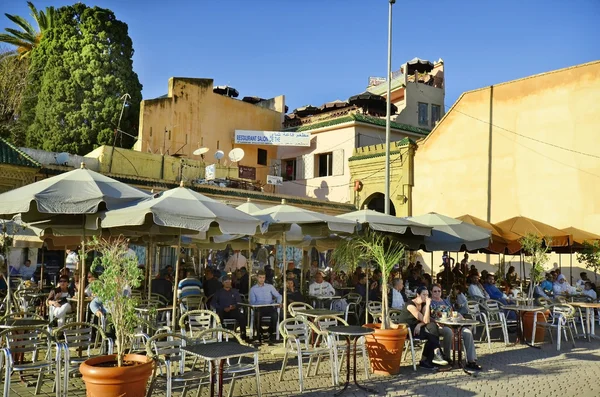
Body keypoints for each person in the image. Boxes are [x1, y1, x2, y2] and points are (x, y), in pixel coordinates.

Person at [430, 284, 482, 370]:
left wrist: (459, 315)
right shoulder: (430, 302)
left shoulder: (445, 301)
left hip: (452, 324)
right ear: (431, 292)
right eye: (435, 291)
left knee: (467, 332)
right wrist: (435, 321)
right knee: (448, 332)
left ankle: (471, 361)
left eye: (439, 291)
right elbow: (427, 316)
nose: (437, 293)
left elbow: (452, 312)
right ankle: (447, 357)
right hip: (439, 325)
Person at [394, 286, 447, 369]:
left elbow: (426, 320)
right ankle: (434, 356)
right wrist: (428, 305)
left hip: (417, 327)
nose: (426, 297)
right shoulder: (410, 305)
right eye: (423, 294)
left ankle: (430, 358)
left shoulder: (424, 304)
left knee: (432, 328)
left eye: (427, 295)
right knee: (432, 333)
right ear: (418, 295)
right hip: (408, 329)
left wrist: (419, 324)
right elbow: (425, 320)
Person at [212, 275, 248, 341]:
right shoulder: (219, 292)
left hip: (233, 310)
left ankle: (243, 334)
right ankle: (220, 335)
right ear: (222, 283)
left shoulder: (235, 291)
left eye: (229, 282)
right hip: (222, 311)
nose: (228, 283)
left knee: (241, 316)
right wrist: (222, 308)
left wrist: (234, 306)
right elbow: (213, 303)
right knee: (219, 316)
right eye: (226, 282)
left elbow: (239, 302)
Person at [249, 270, 282, 344]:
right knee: (257, 316)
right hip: (259, 308)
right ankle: (259, 334)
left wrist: (279, 302)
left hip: (269, 307)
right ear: (257, 278)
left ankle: (269, 332)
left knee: (275, 315)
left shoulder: (270, 287)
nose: (262, 279)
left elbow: (278, 296)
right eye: (260, 277)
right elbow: (252, 302)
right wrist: (259, 304)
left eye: (263, 277)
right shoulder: (253, 289)